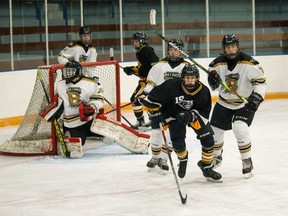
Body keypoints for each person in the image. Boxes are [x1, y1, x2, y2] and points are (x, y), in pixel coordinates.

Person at [140, 64, 222, 182]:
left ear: (197, 78)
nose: (190, 80)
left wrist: (190, 115)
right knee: (178, 144)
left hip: (194, 116)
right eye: (187, 77)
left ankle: (206, 167)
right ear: (183, 77)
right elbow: (151, 100)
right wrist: (154, 111)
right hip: (173, 115)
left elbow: (204, 114)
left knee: (208, 140)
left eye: (192, 77)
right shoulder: (171, 85)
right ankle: (183, 159)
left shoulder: (203, 91)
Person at [207, 34, 266, 178]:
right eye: (228, 47)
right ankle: (217, 157)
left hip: (243, 103)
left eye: (233, 46)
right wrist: (212, 81)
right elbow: (214, 86)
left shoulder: (249, 63)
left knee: (240, 128)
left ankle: (247, 160)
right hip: (223, 102)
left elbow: (260, 82)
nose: (231, 49)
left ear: (237, 47)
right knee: (215, 131)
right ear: (224, 48)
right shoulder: (216, 64)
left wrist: (257, 97)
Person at [141, 38, 190, 173]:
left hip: (177, 105)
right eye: (171, 49)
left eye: (176, 49)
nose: (174, 52)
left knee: (170, 134)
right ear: (168, 50)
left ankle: (164, 158)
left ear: (181, 51)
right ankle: (154, 157)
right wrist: (145, 95)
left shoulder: (187, 66)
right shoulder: (159, 65)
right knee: (156, 132)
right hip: (159, 104)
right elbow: (151, 84)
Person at [41, 60, 104, 146]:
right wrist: (52, 109)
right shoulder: (60, 85)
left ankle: (93, 133)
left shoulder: (90, 83)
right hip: (72, 123)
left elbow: (98, 99)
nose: (67, 73)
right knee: (78, 143)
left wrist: (92, 107)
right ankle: (71, 132)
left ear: (77, 71)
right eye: (66, 71)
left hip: (89, 120)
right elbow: (53, 99)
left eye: (70, 71)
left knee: (107, 134)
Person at [123, 31, 159, 129]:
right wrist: (132, 69)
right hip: (144, 81)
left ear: (142, 41)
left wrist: (153, 77)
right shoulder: (141, 50)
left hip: (148, 82)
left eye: (136, 41)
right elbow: (143, 67)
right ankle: (149, 121)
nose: (134, 43)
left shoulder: (146, 49)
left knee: (136, 99)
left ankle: (143, 121)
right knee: (140, 100)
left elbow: (156, 63)